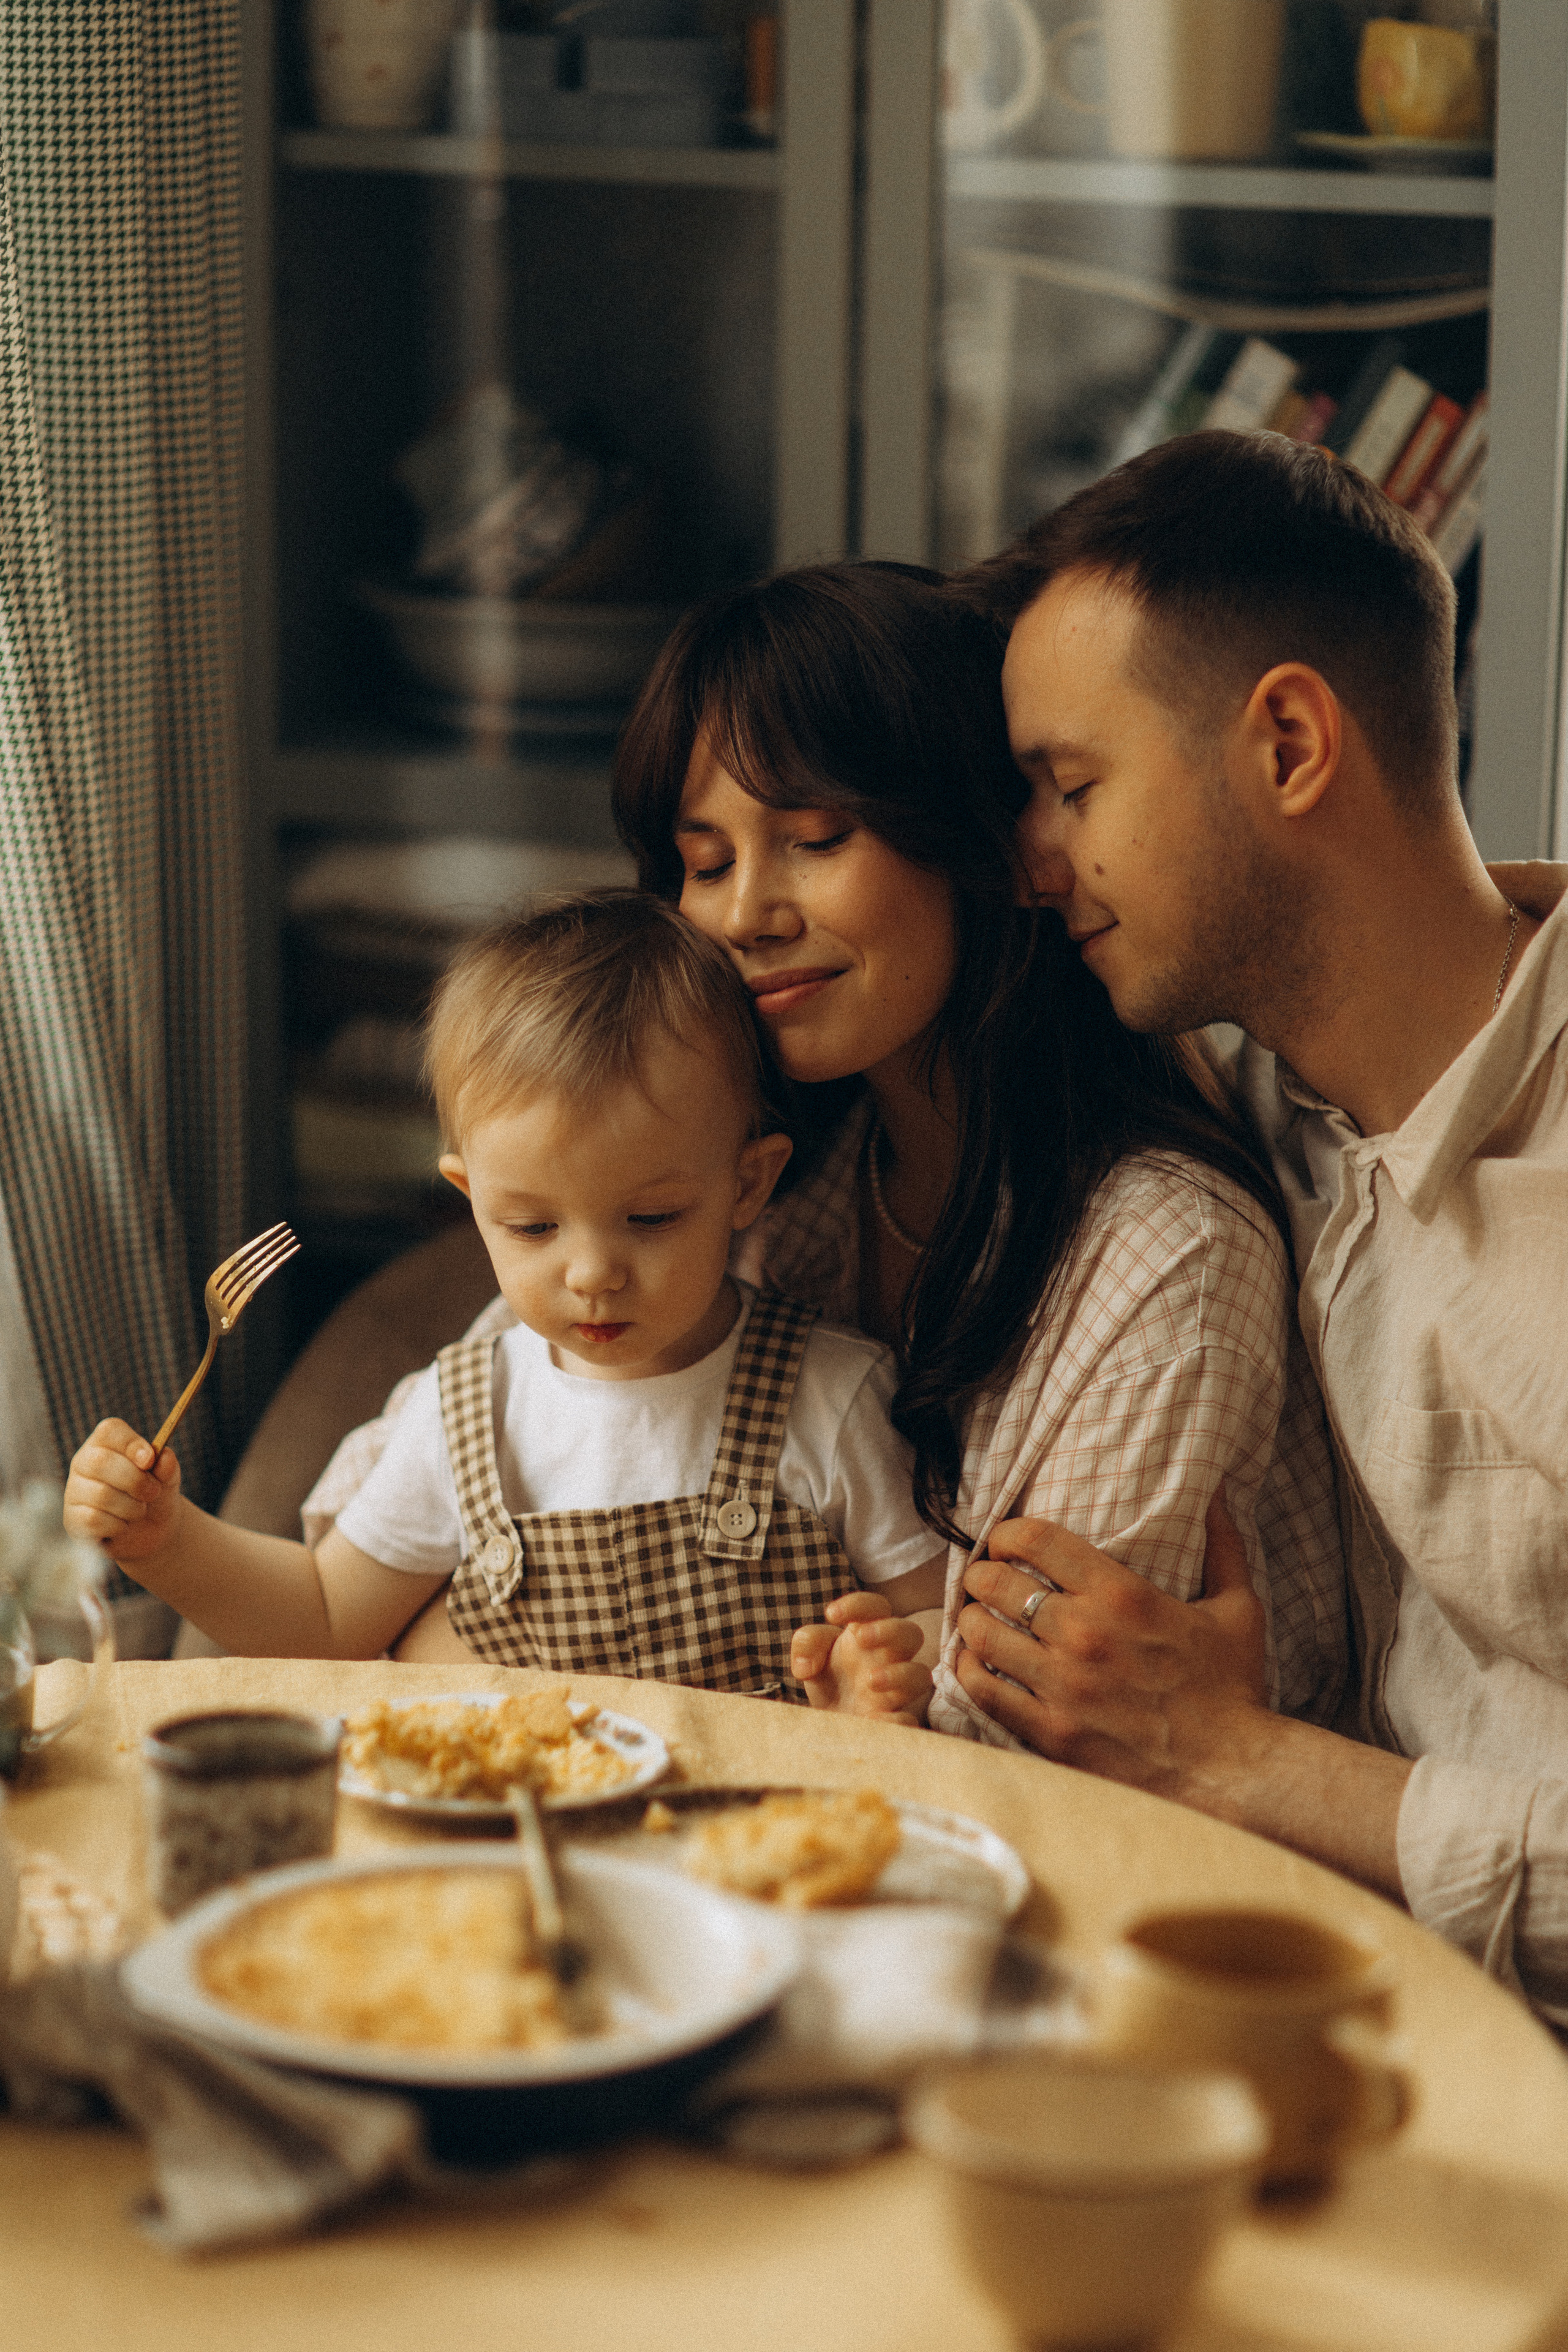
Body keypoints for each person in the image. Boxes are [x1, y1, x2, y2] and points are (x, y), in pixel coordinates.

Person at [946, 428, 1568, 2021]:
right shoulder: (1275, 1108)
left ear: (1291, 743)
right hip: (1331, 1984)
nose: (1034, 864)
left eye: (1071, 787)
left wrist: (1236, 1757)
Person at [607, 560, 1346, 1733]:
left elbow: (1034, 1741)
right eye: (706, 865)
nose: (749, 913)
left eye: (815, 838)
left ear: (975, 844)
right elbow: (491, 1424)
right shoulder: (775, 1183)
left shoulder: (1167, 1255)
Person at [62, 892, 944, 1706]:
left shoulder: (832, 1399)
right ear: (469, 1196)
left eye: (650, 1216)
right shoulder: (463, 1413)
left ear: (748, 1184)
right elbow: (328, 1618)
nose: (592, 1272)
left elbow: (941, 1624)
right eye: (531, 1228)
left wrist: (885, 1670)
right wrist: (168, 1543)